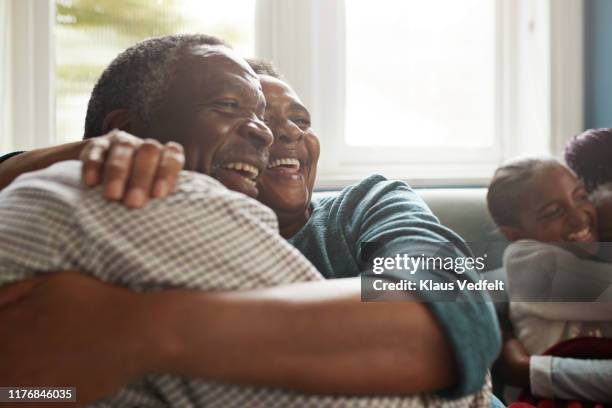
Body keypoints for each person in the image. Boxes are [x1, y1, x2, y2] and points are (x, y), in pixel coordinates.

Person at [0, 35, 499, 405]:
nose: (274, 134)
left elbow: (456, 301)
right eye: (236, 110)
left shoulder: (365, 203)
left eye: (299, 121)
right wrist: (89, 153)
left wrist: (137, 330)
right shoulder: (155, 217)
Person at [487, 158, 612, 403]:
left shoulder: (588, 263)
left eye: (581, 196)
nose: (579, 216)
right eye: (554, 212)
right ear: (514, 234)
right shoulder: (528, 260)